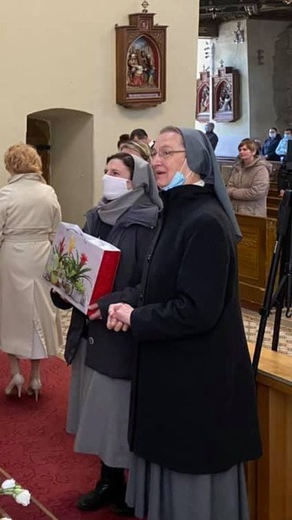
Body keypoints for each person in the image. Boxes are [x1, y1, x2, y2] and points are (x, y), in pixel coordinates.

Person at [97, 127, 262, 520]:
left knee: (191, 490)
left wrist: (138, 318)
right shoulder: (174, 211)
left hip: (198, 380)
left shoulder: (205, 221)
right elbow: (157, 285)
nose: (156, 160)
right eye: (155, 151)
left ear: (196, 162)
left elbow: (196, 310)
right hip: (170, 371)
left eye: (167, 152)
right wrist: (117, 306)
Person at [56, 153, 160, 516]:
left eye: (115, 173)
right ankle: (109, 481)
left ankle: (134, 489)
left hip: (120, 328)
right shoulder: (96, 216)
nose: (107, 178)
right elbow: (81, 263)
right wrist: (64, 285)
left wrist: (115, 300)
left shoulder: (149, 222)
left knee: (118, 411)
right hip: (90, 328)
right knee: (97, 410)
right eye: (106, 171)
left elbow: (149, 282)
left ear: (136, 182)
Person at [0, 143, 62, 400]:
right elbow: (56, 229)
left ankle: (15, 372)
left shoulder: (5, 194)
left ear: (10, 164)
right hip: (41, 253)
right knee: (40, 311)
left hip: (12, 255)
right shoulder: (48, 192)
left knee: (11, 311)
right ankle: (37, 377)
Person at [226, 138, 271, 217]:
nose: (241, 152)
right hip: (235, 211)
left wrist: (233, 193)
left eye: (245, 149)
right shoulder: (237, 167)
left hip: (253, 212)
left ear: (253, 152)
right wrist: (232, 191)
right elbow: (229, 186)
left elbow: (256, 192)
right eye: (240, 150)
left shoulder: (261, 169)